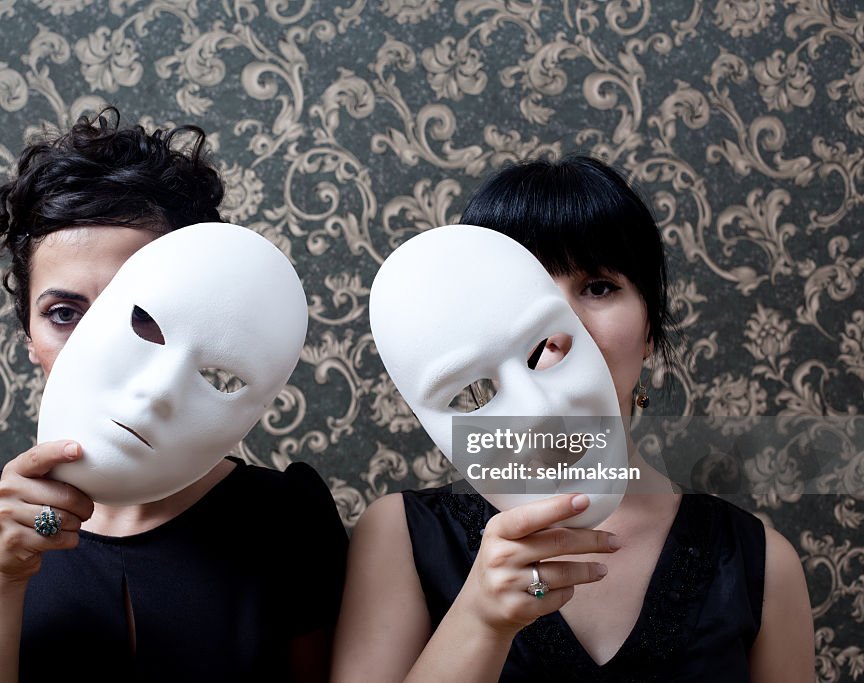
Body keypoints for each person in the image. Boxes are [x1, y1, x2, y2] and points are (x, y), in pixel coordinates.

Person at [0, 109, 348, 683]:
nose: (98, 348)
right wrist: (1, 580)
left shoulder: (284, 520)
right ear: (29, 339)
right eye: (64, 315)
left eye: (136, 315)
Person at [332, 156, 814, 682]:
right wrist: (480, 620)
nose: (561, 330)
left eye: (598, 287)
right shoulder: (399, 536)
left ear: (651, 327)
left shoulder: (762, 566)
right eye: (527, 291)